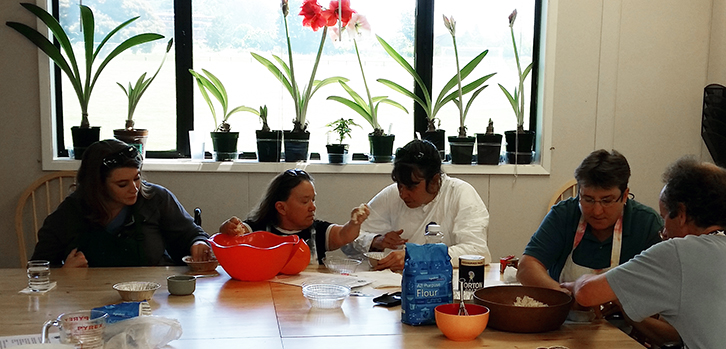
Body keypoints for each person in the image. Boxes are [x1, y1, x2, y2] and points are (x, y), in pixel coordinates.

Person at [569, 156, 726, 348]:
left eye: (664, 217)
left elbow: (587, 294)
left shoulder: (679, 252)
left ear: (681, 213)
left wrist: (578, 283)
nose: (664, 231)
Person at [31, 139, 211, 268]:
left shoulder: (157, 199)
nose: (134, 188)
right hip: (91, 303)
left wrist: (198, 244)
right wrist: (64, 273)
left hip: (153, 299)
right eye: (122, 184)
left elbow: (192, 234)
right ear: (97, 186)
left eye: (137, 178)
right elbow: (38, 269)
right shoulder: (70, 213)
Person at [517, 149, 664, 292]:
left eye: (607, 201)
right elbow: (526, 267)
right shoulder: (564, 215)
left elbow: (663, 283)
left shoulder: (647, 224)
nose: (597, 211)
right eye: (588, 200)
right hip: (565, 313)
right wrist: (565, 296)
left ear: (625, 195)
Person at [342, 139, 492, 271]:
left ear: (434, 181)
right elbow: (346, 241)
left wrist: (417, 257)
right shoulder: (391, 195)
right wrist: (376, 241)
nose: (402, 194)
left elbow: (477, 251)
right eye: (399, 185)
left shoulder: (461, 194)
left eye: (411, 187)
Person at [219, 169, 369, 263]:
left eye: (313, 200)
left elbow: (344, 235)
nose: (313, 207)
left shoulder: (318, 231)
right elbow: (232, 236)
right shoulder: (258, 229)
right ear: (281, 208)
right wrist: (228, 227)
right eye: (305, 201)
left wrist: (355, 223)